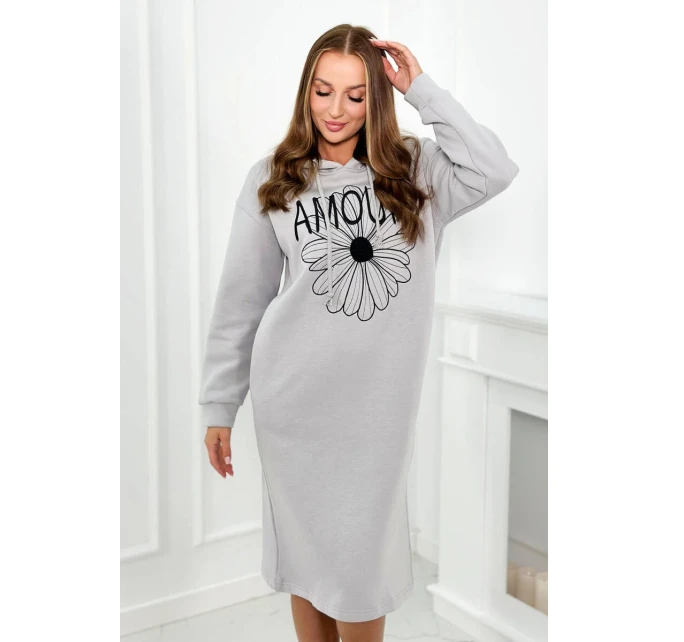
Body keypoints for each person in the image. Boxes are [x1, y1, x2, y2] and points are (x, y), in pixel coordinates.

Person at [199, 23, 519, 642]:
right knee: (306, 562)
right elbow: (241, 302)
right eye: (323, 91)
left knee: (359, 570)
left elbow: (496, 169)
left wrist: (421, 89)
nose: (336, 109)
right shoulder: (273, 178)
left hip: (376, 416)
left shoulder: (419, 171)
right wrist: (219, 404)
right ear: (306, 91)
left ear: (378, 97)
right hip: (292, 403)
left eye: (355, 94)